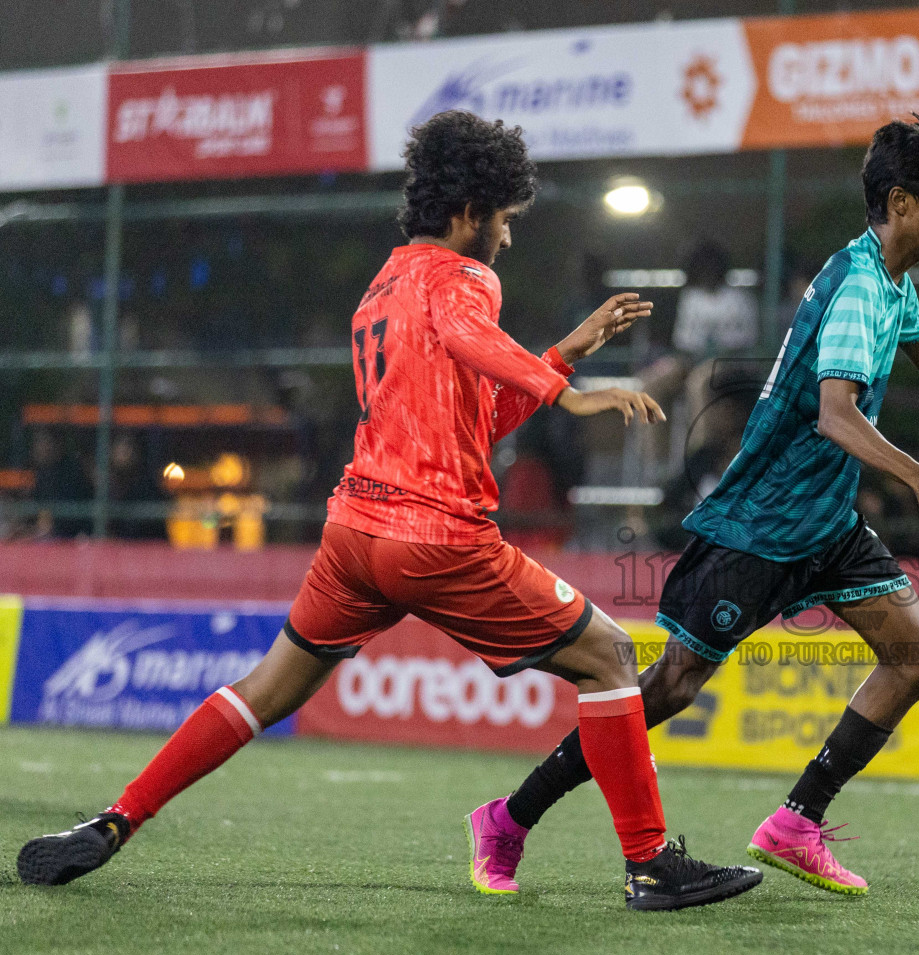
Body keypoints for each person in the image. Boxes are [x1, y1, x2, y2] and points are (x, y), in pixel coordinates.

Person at [18, 111, 762, 912]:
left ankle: (117, 818)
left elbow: (470, 421)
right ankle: (649, 864)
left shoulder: (383, 286)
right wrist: (567, 392)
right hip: (436, 538)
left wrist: (560, 355)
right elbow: (464, 327)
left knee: (265, 688)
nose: (507, 240)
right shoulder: (464, 279)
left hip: (354, 537)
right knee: (612, 659)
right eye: (505, 221)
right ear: (471, 211)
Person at [493, 117, 919, 896]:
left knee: (918, 657)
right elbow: (836, 414)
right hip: (762, 523)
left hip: (824, 523)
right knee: (668, 689)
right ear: (901, 202)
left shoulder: (885, 279)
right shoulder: (861, 286)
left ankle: (796, 822)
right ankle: (512, 817)